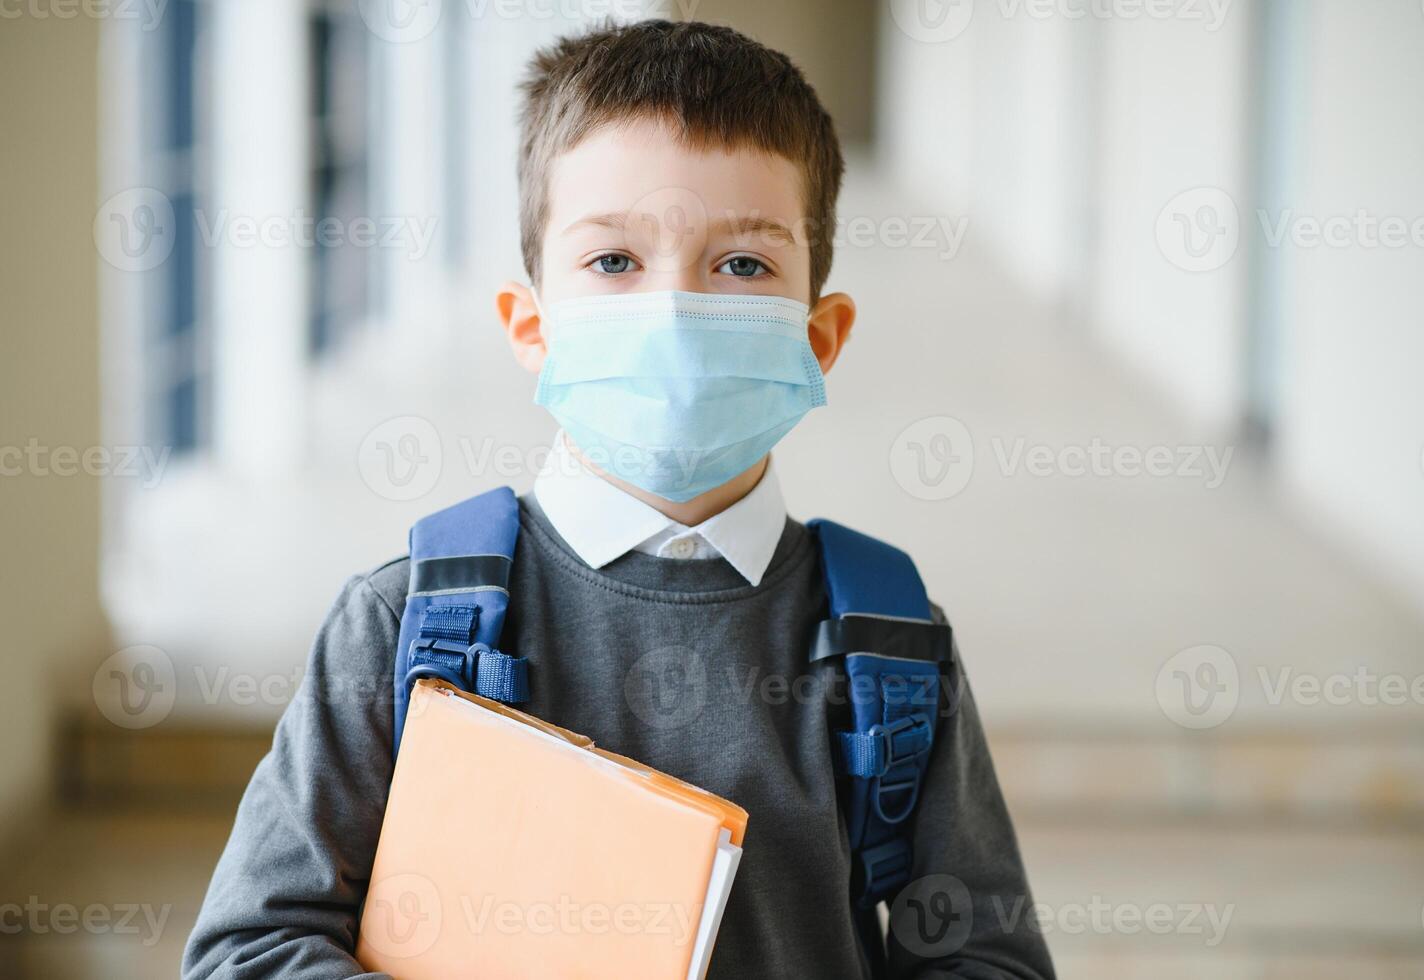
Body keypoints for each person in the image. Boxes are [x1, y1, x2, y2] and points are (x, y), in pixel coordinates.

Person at [183, 20, 1054, 980]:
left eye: (742, 265)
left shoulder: (888, 641)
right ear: (530, 325)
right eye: (612, 261)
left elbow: (988, 959)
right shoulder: (405, 624)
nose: (674, 312)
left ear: (820, 337)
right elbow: (249, 950)